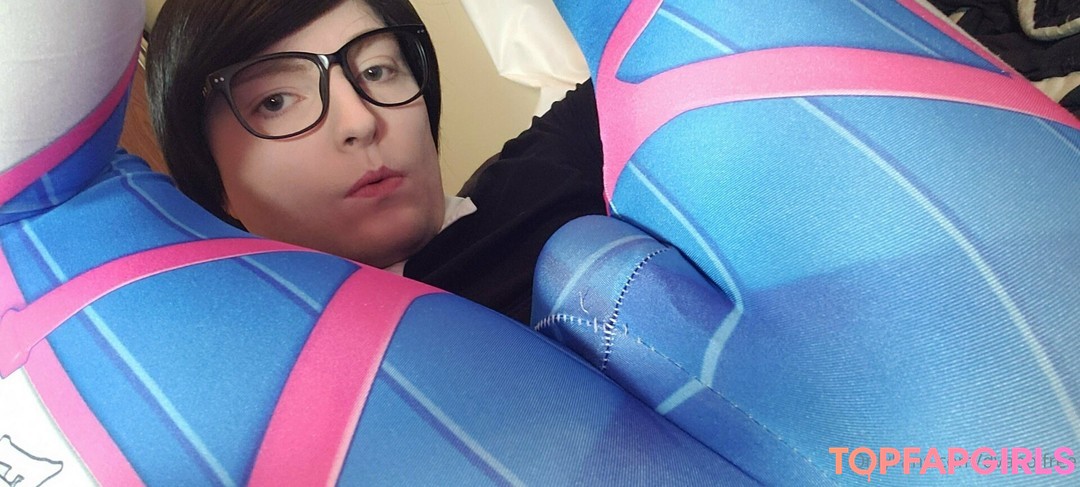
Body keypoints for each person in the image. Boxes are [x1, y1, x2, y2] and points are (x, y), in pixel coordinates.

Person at [146, 0, 605, 324]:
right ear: (213, 182)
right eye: (276, 101)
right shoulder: (267, 386)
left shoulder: (561, 162)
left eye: (376, 71)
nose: (360, 121)